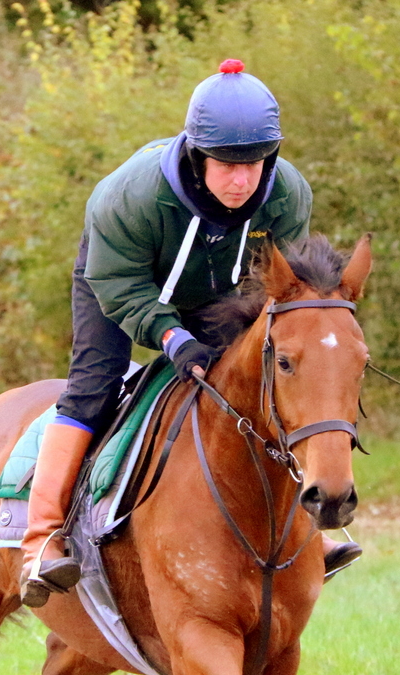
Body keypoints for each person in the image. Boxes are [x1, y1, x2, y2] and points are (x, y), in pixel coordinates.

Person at [19, 59, 363, 607]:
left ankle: (305, 531)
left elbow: (281, 288)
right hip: (122, 281)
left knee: (256, 385)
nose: (241, 181)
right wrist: (171, 337)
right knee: (94, 386)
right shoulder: (130, 197)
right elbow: (118, 283)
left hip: (219, 291)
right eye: (226, 165)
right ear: (197, 155)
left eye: (254, 165)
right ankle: (40, 539)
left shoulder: (288, 196)